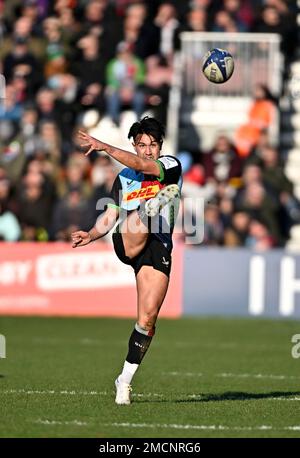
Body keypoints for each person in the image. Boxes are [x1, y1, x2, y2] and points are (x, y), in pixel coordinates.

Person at [71, 117, 182, 405]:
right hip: (128, 240)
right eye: (142, 145)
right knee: (136, 220)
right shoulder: (124, 180)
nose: (148, 151)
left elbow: (145, 166)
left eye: (153, 145)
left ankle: (124, 380)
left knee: (147, 319)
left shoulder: (170, 166)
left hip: (158, 246)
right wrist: (92, 234)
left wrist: (105, 147)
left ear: (160, 147)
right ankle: (148, 209)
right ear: (134, 145)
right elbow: (109, 216)